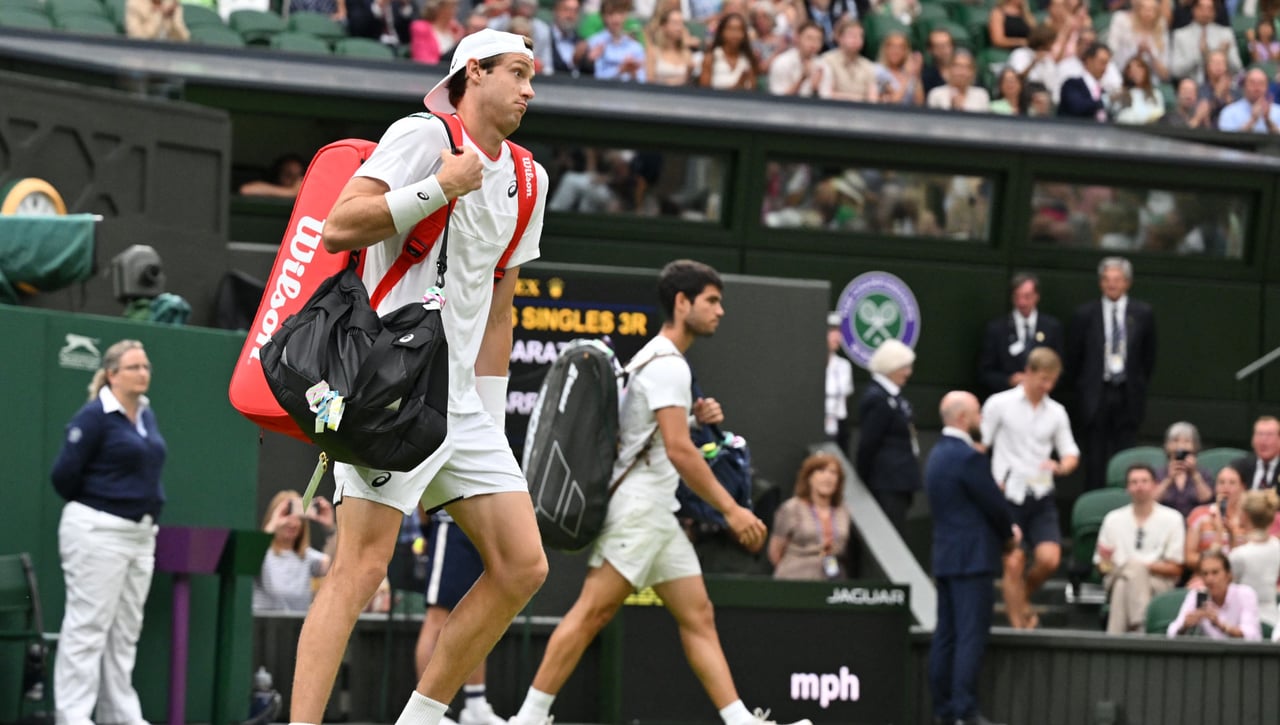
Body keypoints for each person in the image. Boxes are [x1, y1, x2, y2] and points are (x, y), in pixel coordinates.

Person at [288, 29, 551, 725]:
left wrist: (488, 416)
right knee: (359, 569)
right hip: (385, 390)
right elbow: (339, 227)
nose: (530, 89)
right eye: (518, 73)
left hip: (460, 403)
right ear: (474, 73)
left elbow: (501, 306)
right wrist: (441, 186)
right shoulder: (416, 134)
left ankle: (423, 716)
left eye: (533, 77)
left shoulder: (530, 178)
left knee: (523, 565)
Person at [508, 260, 806, 725]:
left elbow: (648, 433)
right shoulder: (669, 365)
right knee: (591, 612)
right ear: (682, 303)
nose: (720, 311)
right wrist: (731, 511)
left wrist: (692, 418)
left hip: (656, 514)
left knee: (699, 616)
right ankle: (528, 718)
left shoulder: (653, 358)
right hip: (640, 511)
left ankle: (740, 720)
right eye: (711, 301)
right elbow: (681, 453)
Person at [50, 340, 166, 725]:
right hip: (97, 531)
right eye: (134, 367)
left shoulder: (146, 415)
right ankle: (73, 717)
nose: (143, 373)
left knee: (124, 633)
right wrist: (104, 502)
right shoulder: (94, 416)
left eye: (146, 366)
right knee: (87, 629)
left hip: (140, 537)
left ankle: (121, 716)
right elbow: (63, 476)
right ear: (112, 373)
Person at [926, 391, 1019, 725]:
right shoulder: (968, 458)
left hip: (946, 558)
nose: (982, 419)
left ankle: (943, 710)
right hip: (973, 560)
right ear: (964, 418)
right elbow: (994, 504)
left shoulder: (936, 456)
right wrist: (1010, 534)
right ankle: (964, 710)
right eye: (978, 412)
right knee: (969, 635)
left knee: (946, 635)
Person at [979, 347, 1079, 629]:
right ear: (1029, 372)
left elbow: (1070, 453)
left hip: (1041, 494)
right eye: (1043, 379)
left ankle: (1020, 597)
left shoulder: (1057, 413)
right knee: (1014, 562)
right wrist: (989, 483)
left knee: (1049, 559)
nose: (1047, 386)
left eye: (1053, 381)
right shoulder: (999, 404)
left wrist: (1061, 467)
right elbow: (981, 444)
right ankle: (1019, 626)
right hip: (1007, 495)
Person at [1067, 256, 1157, 491]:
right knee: (1095, 457)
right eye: (1107, 280)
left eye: (1117, 280)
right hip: (1097, 393)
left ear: (1127, 282)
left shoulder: (1143, 313)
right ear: (1100, 283)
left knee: (1125, 454)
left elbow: (1148, 357)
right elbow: (1075, 357)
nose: (1112, 285)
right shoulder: (1085, 314)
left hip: (1127, 393)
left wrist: (1136, 384)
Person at [413, 509, 506, 725]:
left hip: (486, 529)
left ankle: (475, 707)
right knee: (437, 618)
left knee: (479, 619)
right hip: (451, 524)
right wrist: (427, 529)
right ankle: (426, 714)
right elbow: (423, 488)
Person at [1094, 464, 1186, 634]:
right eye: (1134, 482)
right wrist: (1106, 562)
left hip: (1158, 581)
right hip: (1116, 576)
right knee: (1124, 578)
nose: (1139, 486)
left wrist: (1140, 566)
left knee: (1125, 584)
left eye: (1144, 481)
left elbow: (1176, 569)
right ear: (1127, 488)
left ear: (1155, 485)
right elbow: (1103, 569)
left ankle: (1114, 642)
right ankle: (1140, 626)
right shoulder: (1112, 519)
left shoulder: (1173, 519)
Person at [854, 338, 921, 535]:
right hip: (886, 482)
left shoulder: (894, 397)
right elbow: (868, 443)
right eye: (904, 367)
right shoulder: (877, 398)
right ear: (891, 367)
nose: (908, 373)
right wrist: (864, 478)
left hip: (898, 481)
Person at [978, 272, 1065, 398]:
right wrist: (1009, 380)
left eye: (1027, 296)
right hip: (1007, 399)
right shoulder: (997, 329)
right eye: (1017, 297)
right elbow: (985, 373)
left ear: (1037, 296)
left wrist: (1041, 381)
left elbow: (1060, 369)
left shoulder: (1052, 327)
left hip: (1042, 399)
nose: (1022, 302)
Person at [768, 452, 851, 580]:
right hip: (794, 577)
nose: (828, 477)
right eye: (821, 471)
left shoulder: (842, 511)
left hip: (832, 579)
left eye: (833, 473)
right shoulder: (791, 508)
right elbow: (775, 551)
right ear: (809, 477)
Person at [253, 490, 336, 612]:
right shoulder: (263, 554)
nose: (292, 523)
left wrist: (330, 528)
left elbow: (338, 565)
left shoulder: (307, 557)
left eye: (298, 518)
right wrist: (274, 523)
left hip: (295, 627)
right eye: (287, 515)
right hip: (263, 626)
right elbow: (250, 559)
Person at [1167, 550, 1262, 640]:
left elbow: (1252, 635)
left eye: (1215, 573)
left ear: (1228, 574)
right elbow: (1171, 632)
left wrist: (1221, 625)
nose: (1209, 579)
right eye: (1205, 573)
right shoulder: (1196, 595)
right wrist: (1185, 626)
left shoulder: (1245, 594)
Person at [1184, 463, 1247, 579]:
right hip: (1205, 577)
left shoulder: (1248, 519)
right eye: (1221, 482)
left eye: (1232, 483)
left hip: (1240, 578)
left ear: (1242, 487)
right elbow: (1189, 557)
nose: (1226, 487)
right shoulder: (1199, 514)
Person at [1228, 490, 1280, 627]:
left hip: (1244, 623)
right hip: (1273, 620)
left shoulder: (1239, 555)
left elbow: (1230, 587)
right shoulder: (1277, 546)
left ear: (1245, 516)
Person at [1169, 0, 1240, 84]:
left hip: (1222, 85)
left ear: (1215, 12)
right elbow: (1175, 72)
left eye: (1209, 9)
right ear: (1193, 10)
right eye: (1201, 8)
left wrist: (1225, 55)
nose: (1205, 13)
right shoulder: (1180, 35)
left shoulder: (1226, 34)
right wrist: (1198, 55)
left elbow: (1238, 68)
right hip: (1193, 87)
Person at [1152, 421, 1213, 519]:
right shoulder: (1158, 473)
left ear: (1195, 446)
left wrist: (1194, 474)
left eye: (1186, 441)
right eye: (1175, 441)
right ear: (1167, 445)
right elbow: (1152, 500)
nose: (1181, 446)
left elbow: (1206, 499)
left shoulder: (1203, 473)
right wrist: (1169, 479)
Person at [819, 18, 879, 102]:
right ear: (839, 37)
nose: (856, 39)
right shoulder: (827, 60)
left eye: (860, 36)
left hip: (862, 112)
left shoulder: (868, 65)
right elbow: (827, 94)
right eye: (852, 35)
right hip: (832, 110)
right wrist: (859, 98)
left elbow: (873, 98)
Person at [696, 12, 759, 90]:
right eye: (730, 29)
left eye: (739, 30)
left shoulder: (748, 60)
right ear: (722, 32)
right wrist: (737, 86)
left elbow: (753, 92)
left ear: (744, 34)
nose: (735, 34)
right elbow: (704, 94)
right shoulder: (711, 58)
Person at [587, 0, 647, 82]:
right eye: (611, 14)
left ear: (626, 15)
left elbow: (642, 81)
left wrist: (633, 72)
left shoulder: (636, 47)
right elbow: (595, 77)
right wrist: (620, 70)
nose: (616, 19)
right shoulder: (594, 42)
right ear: (603, 16)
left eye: (620, 13)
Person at [768, 21, 831, 96]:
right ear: (798, 38)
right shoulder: (782, 62)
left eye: (818, 39)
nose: (814, 43)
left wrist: (815, 89)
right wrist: (802, 79)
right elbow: (777, 100)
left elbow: (826, 99)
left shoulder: (823, 65)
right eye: (809, 38)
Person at [824, 312, 854, 454]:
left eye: (839, 331)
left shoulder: (844, 366)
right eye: (832, 331)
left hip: (836, 433)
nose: (837, 336)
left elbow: (844, 401)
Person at [1057, 42, 1111, 121]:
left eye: (1106, 64)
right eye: (1102, 62)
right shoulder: (1071, 85)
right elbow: (1077, 107)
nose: (1104, 68)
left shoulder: (1103, 91)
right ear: (1089, 61)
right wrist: (1104, 100)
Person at [1218, 68, 1280, 133]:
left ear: (1267, 87)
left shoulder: (1278, 111)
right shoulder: (1229, 112)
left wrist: (1268, 121)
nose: (1257, 88)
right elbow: (1227, 140)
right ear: (1244, 86)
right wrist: (1252, 120)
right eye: (1252, 83)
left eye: (1261, 83)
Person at [926, 50, 990, 112]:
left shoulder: (981, 94)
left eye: (967, 67)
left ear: (973, 72)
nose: (962, 72)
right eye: (957, 66)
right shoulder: (936, 94)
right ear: (949, 69)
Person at [645, 7, 695, 86]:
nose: (679, 28)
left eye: (681, 23)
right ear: (663, 26)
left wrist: (689, 73)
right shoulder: (653, 52)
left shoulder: (687, 53)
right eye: (675, 23)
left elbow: (690, 86)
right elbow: (649, 81)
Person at [1110, 56, 1165, 124]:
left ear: (1145, 71)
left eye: (1139, 69)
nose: (1136, 73)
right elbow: (1119, 116)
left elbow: (1159, 114)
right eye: (1132, 70)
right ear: (1127, 74)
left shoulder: (1156, 93)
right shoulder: (1121, 94)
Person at [1233, 415, 1280, 490]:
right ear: (1252, 440)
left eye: (1269, 435)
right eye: (1259, 434)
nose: (1263, 440)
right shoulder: (1239, 468)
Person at [410, 0, 465, 64]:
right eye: (452, 7)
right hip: (433, 70)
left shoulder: (456, 29)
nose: (456, 10)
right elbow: (423, 60)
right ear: (440, 9)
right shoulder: (421, 28)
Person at [239, 154, 306, 199]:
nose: (294, 180)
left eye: (298, 176)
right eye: (288, 175)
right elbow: (246, 190)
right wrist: (291, 192)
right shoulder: (272, 189)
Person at [125, 0, 190, 41]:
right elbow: (137, 37)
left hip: (170, 54)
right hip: (141, 54)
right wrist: (158, 14)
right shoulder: (134, 3)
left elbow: (183, 38)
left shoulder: (171, 3)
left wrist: (174, 20)